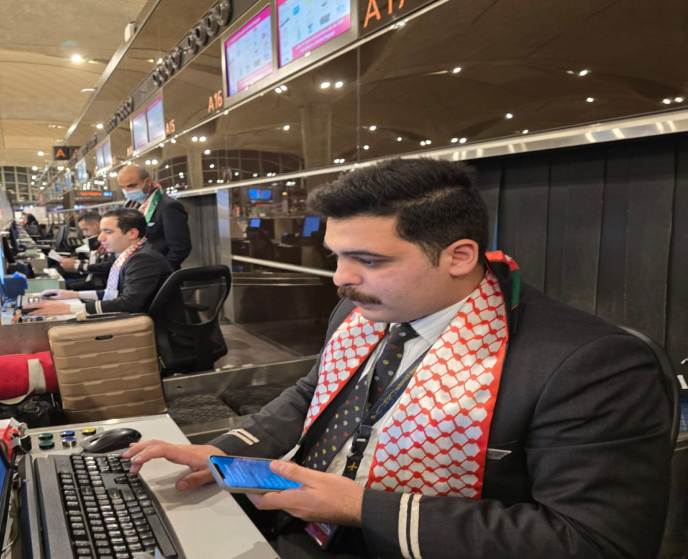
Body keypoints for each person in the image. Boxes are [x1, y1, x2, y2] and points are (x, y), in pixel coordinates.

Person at [124, 158, 671, 558]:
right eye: (337, 256)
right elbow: (313, 394)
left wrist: (361, 507)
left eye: (368, 260)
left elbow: (596, 542)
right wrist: (223, 452)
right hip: (303, 526)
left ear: (459, 256)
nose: (341, 279)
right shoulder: (361, 312)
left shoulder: (589, 364)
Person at [27, 209, 171, 315]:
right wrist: (74, 295)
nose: (100, 238)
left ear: (132, 233)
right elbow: (114, 294)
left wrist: (69, 308)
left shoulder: (143, 259)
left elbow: (129, 303)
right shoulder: (129, 255)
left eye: (108, 232)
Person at [118, 164, 191, 269]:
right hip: (132, 267)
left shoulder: (168, 206)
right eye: (122, 187)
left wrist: (157, 269)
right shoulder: (132, 205)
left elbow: (180, 248)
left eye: (131, 186)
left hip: (157, 272)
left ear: (148, 182)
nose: (126, 191)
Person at [58, 211, 115, 290]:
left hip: (100, 284)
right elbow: (95, 264)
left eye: (85, 229)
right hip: (93, 279)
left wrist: (77, 265)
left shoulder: (112, 245)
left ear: (96, 225)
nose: (84, 234)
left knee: (62, 287)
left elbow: (106, 267)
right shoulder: (98, 243)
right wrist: (76, 262)